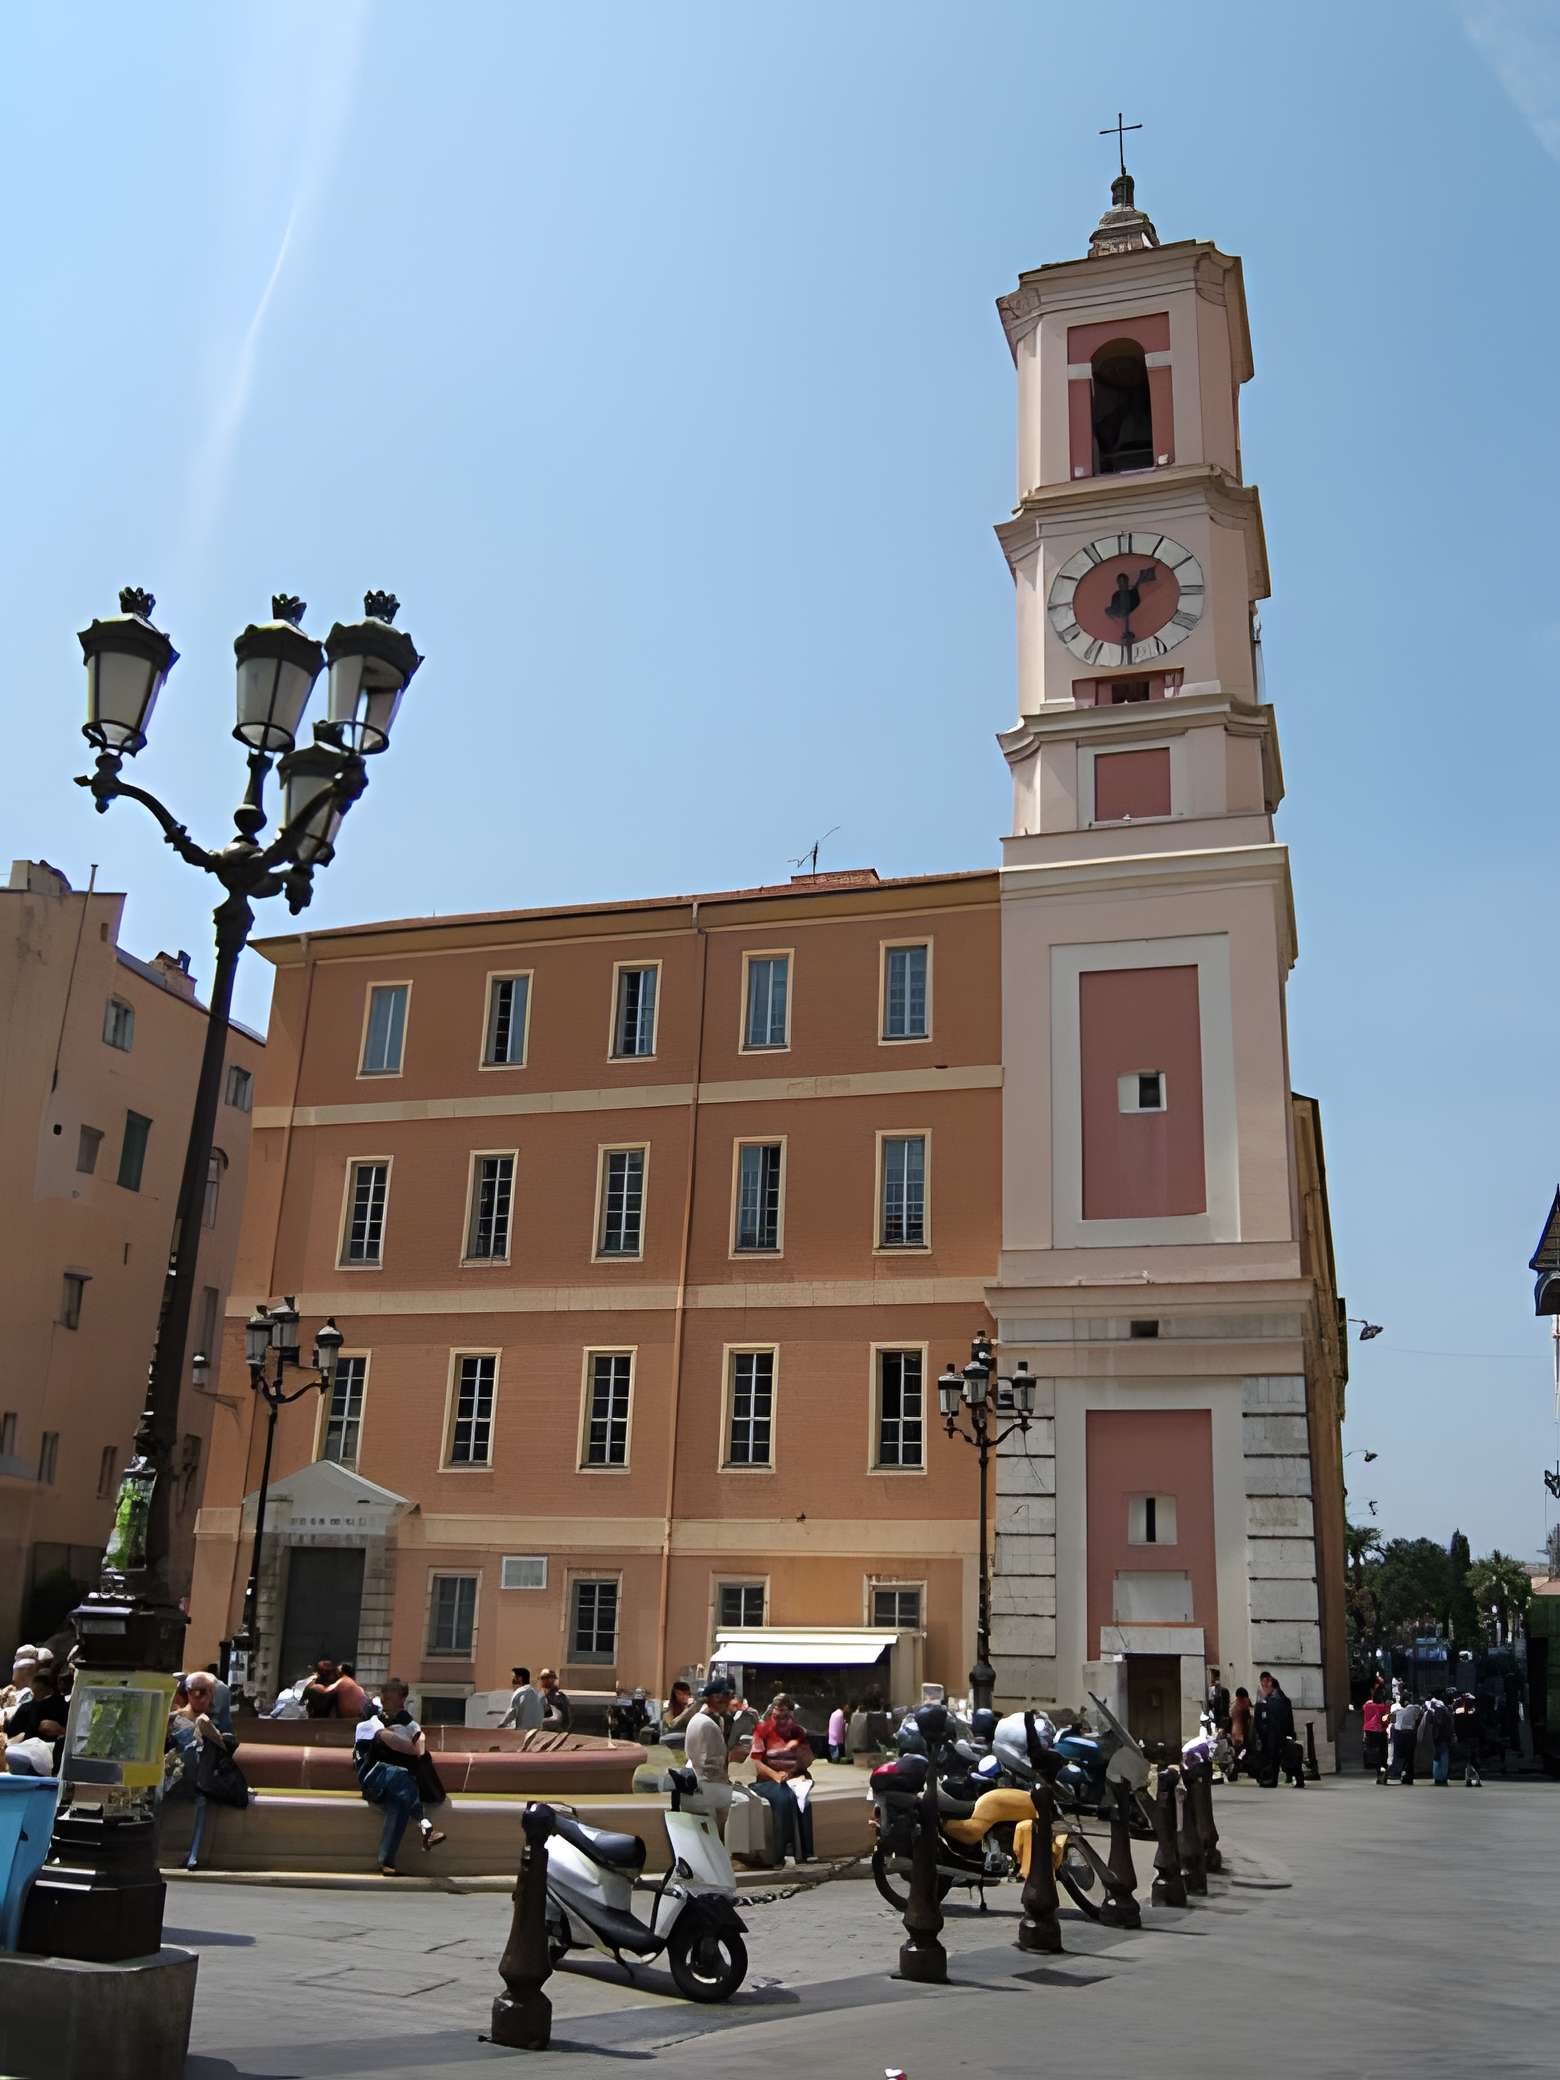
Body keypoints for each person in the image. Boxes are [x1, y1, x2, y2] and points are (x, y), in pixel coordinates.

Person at [354, 1680, 446, 1874]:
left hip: (398, 1784)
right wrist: (415, 1746)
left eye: (391, 1694)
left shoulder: (409, 1723)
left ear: (403, 1698)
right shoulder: (371, 1723)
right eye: (384, 1694)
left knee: (400, 1801)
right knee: (401, 1775)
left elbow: (420, 1742)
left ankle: (387, 1861)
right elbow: (396, 1743)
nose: (386, 1697)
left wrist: (415, 1734)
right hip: (373, 1780)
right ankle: (424, 1822)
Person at [168, 1672, 244, 1870]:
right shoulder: (175, 1718)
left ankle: (193, 1854)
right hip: (176, 1775)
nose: (204, 1697)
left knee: (202, 1801)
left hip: (201, 1779)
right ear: (189, 1693)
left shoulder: (212, 1721)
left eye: (209, 1693)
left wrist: (212, 1734)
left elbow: (228, 1747)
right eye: (199, 1692)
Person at [748, 1694, 815, 1864]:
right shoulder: (762, 1731)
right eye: (776, 1716)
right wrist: (775, 1775)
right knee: (784, 1798)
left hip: (793, 1777)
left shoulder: (798, 1732)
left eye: (784, 1717)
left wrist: (795, 1769)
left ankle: (807, 1850)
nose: (780, 1721)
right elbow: (756, 1761)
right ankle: (785, 1849)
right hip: (767, 1780)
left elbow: (806, 1760)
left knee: (803, 1800)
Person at [684, 1677, 745, 1830]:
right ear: (716, 1698)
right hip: (705, 1784)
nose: (730, 1701)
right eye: (728, 1697)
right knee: (745, 1801)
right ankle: (737, 1851)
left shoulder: (701, 1719)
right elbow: (710, 1767)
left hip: (701, 1780)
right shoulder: (707, 1724)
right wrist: (732, 1759)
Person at [2, 1656, 68, 1775]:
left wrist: (61, 1730)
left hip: (48, 1752)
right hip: (30, 1751)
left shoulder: (30, 1707)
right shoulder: (62, 1704)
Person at [1254, 1671, 1302, 1789]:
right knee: (1285, 1758)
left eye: (1264, 1685)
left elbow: (1263, 1720)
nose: (1262, 1689)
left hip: (1274, 1735)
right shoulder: (1282, 1700)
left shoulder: (1271, 1702)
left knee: (1276, 1758)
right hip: (1279, 1735)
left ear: (1269, 1684)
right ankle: (1294, 1778)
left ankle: (1271, 1779)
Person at [1391, 1691, 1423, 1785]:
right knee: (1410, 1756)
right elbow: (1420, 1714)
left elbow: (1392, 1721)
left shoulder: (1396, 1711)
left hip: (1398, 1733)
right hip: (1409, 1734)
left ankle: (1396, 1774)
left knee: (1398, 1755)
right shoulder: (1414, 1708)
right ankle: (1409, 1776)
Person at [1453, 1690, 1484, 1788]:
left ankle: (1468, 1779)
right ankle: (1476, 1779)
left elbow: (1456, 1726)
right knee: (1473, 1759)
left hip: (1464, 1738)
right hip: (1473, 1739)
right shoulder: (1475, 1712)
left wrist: (1458, 1736)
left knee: (1467, 1760)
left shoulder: (1458, 1711)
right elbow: (1479, 1727)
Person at [499, 1666, 544, 1732]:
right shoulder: (537, 1693)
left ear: (520, 1678)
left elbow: (511, 1714)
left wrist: (500, 1726)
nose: (512, 1680)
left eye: (514, 1677)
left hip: (523, 1733)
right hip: (537, 1732)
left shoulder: (519, 1693)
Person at [1424, 1688, 1454, 1787]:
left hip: (1435, 1734)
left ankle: (1437, 1777)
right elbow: (1443, 1722)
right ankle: (1442, 1777)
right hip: (1442, 1734)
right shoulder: (1441, 1707)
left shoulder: (1430, 1706)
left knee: (1437, 1756)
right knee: (1443, 1756)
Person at [1362, 1682, 1391, 1784]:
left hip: (1370, 1732)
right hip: (1380, 1732)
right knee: (1383, 1754)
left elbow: (1365, 1706)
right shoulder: (1384, 1708)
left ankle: (1379, 1775)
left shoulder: (1367, 1706)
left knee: (1375, 1753)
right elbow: (1386, 1721)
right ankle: (1383, 1773)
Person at [1227, 1685, 1253, 1781]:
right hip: (1240, 1736)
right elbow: (1244, 1723)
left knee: (1238, 1754)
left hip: (1236, 1735)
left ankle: (1235, 1772)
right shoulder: (1241, 1707)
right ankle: (1234, 1772)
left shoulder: (1234, 1706)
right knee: (1240, 1755)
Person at [538, 1668, 572, 1732]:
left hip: (556, 1728)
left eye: (545, 1678)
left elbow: (558, 1719)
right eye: (542, 1678)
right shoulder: (541, 1694)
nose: (543, 1681)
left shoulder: (558, 1696)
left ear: (552, 1679)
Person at [1206, 1668, 1232, 1735]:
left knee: (1221, 1723)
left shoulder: (1224, 1691)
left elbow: (1227, 1701)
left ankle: (1221, 1731)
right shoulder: (1212, 1690)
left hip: (1222, 1710)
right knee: (1218, 1722)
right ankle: (1218, 1730)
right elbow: (1210, 1700)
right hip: (1217, 1709)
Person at [827, 1699, 848, 1764]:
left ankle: (834, 1759)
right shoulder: (841, 1714)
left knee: (834, 1757)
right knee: (837, 1758)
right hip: (837, 1739)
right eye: (847, 1707)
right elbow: (841, 1728)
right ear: (844, 1706)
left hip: (831, 1738)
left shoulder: (834, 1713)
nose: (847, 1709)